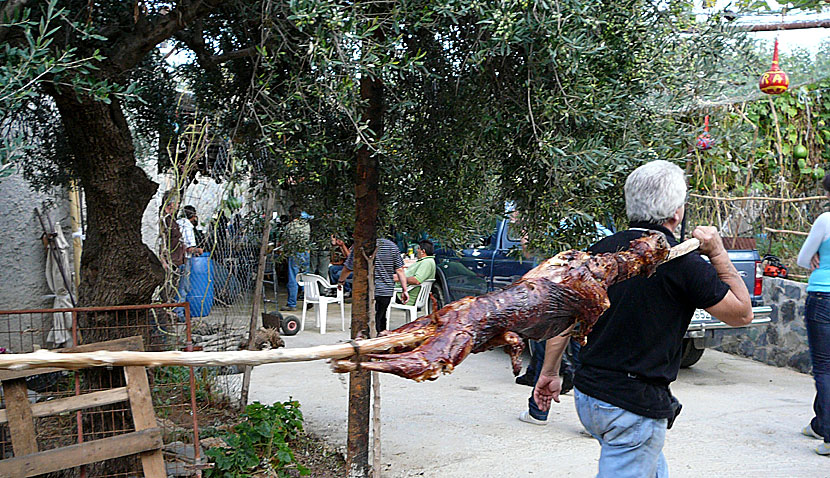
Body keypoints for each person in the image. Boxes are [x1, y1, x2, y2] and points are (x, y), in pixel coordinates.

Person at [532, 160, 752, 477]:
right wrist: (717, 253)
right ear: (677, 213)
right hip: (630, 407)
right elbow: (742, 313)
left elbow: (567, 318)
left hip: (590, 396)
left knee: (649, 465)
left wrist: (549, 372)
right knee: (636, 448)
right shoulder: (684, 263)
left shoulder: (598, 253)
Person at [796, 172, 830, 456]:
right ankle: (820, 424)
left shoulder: (825, 221)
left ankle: (829, 434)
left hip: (823, 296)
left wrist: (816, 258)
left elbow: (802, 259)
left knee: (823, 366)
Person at [339, 238, 409, 333]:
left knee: (367, 320)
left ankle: (369, 341)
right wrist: (404, 290)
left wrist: (341, 281)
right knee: (381, 317)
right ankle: (381, 339)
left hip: (366, 289)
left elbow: (348, 268)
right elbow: (400, 270)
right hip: (386, 290)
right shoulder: (392, 247)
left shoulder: (362, 245)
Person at [174, 205, 204, 321]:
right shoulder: (187, 226)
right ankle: (179, 313)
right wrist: (198, 250)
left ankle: (175, 310)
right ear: (194, 216)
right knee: (184, 287)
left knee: (177, 286)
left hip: (175, 259)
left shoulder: (177, 223)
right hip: (185, 259)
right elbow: (189, 248)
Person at [280, 205, 311, 312]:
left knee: (293, 278)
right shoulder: (306, 225)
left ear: (290, 214)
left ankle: (292, 304)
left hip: (295, 253)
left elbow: (286, 241)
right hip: (306, 252)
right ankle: (309, 299)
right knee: (305, 277)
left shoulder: (290, 226)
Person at [394, 239, 436, 305]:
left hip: (405, 296)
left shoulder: (427, 262)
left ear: (423, 251)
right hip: (404, 291)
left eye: (418, 248)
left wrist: (400, 278)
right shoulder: (425, 261)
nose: (417, 250)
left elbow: (417, 280)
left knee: (380, 293)